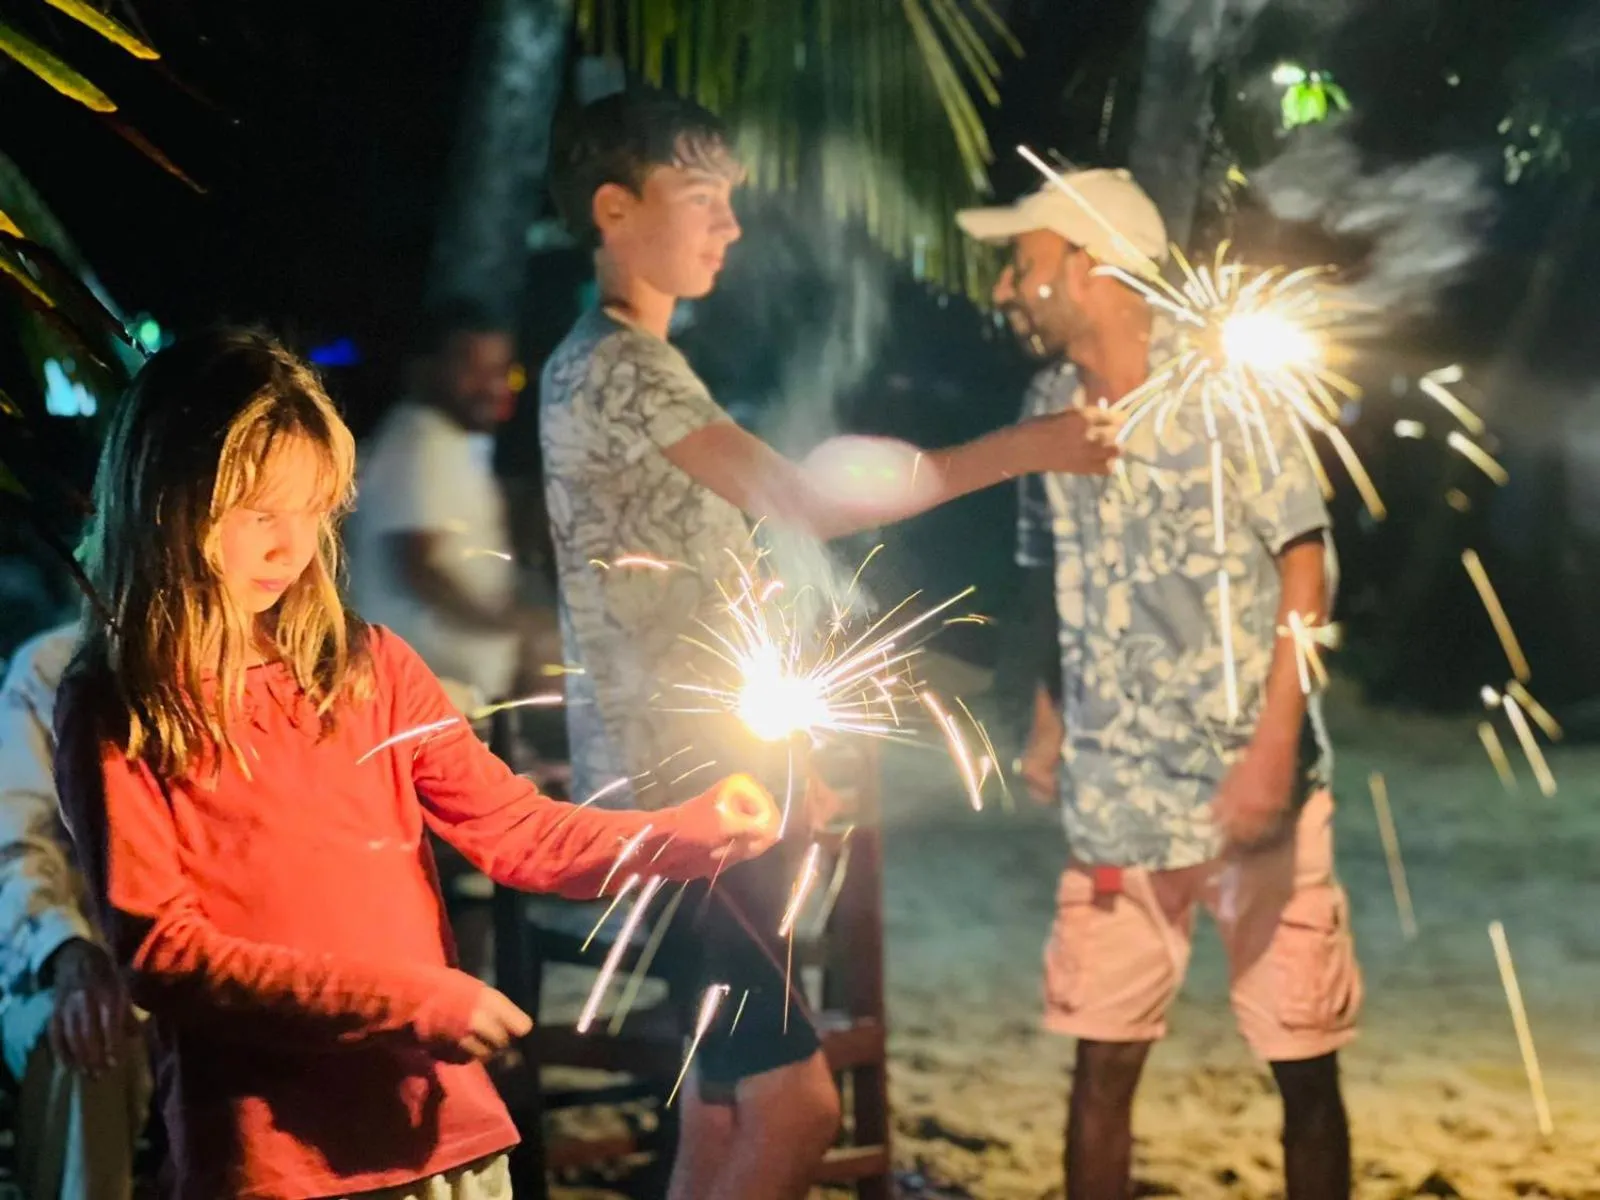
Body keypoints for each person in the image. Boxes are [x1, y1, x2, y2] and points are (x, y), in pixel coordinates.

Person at [541, 87, 1122, 1200]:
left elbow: (730, 579)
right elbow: (803, 500)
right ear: (615, 209)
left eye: (733, 202)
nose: (730, 227)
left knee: (720, 1113)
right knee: (796, 1108)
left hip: (704, 786)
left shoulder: (632, 365)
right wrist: (1023, 447)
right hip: (687, 799)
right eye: (702, 199)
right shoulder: (617, 367)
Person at [51, 328, 781, 1200]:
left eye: (313, 512)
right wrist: (409, 1000)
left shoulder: (366, 666)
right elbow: (163, 953)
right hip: (271, 1157)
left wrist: (682, 833)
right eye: (257, 516)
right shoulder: (120, 700)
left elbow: (516, 830)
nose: (292, 550)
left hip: (442, 1136)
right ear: (165, 501)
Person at [958, 170, 1362, 1200]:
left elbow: (1303, 567)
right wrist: (1049, 714)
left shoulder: (1228, 391)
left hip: (1251, 791)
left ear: (1088, 269)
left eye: (1025, 264)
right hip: (1116, 792)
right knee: (1101, 1061)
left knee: (1301, 1064)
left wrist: (1274, 745)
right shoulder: (1045, 403)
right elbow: (1047, 569)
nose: (1007, 289)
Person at [346, 299, 556, 717]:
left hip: (452, 699)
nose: (492, 386)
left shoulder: (448, 442)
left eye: (500, 371)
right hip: (427, 702)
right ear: (426, 369)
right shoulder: (420, 443)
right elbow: (421, 569)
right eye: (472, 370)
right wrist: (519, 627)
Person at [1, 623, 151, 1200]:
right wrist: (68, 951)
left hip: (206, 968)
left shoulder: (251, 665)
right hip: (65, 966)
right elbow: (17, 843)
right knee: (90, 1038)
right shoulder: (54, 667)